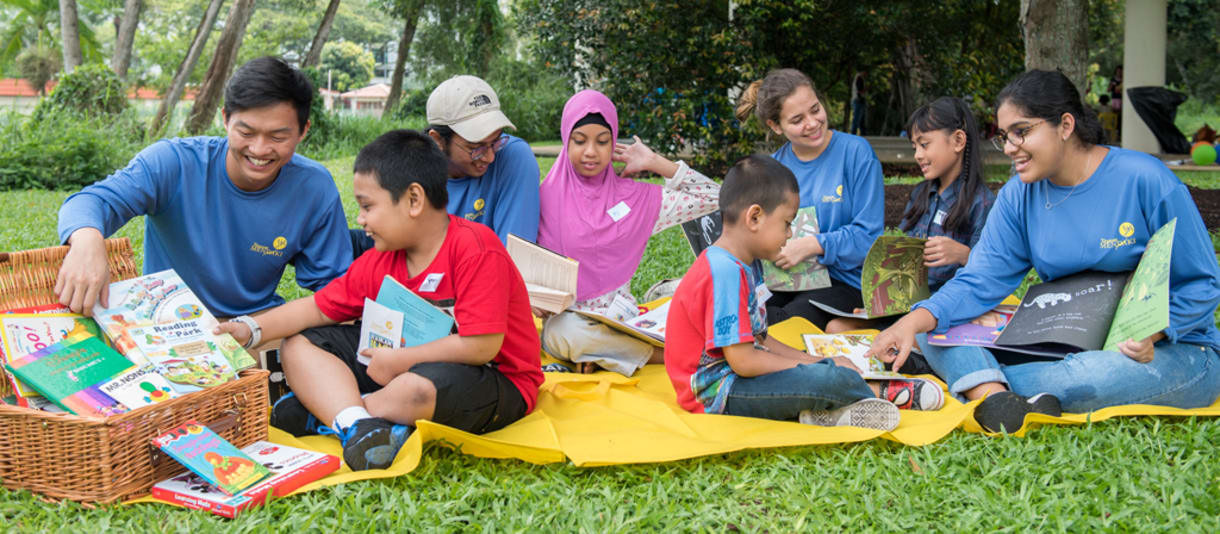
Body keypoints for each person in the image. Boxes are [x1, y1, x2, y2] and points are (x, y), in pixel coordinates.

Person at [867, 70, 1220, 433]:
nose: (1008, 147)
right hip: (1062, 341)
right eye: (1004, 136)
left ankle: (978, 383)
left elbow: (1202, 283)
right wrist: (909, 322)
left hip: (1166, 351)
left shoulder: (1146, 179)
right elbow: (979, 280)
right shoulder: (1019, 194)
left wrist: (1154, 333)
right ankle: (992, 394)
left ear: (1065, 125)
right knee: (932, 325)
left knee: (1083, 380)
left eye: (1022, 132)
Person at [218, 130, 543, 470]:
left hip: (494, 378)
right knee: (298, 345)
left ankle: (335, 412)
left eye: (368, 206)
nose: (360, 220)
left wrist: (401, 360)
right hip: (398, 361)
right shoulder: (381, 259)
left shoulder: (475, 248)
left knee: (413, 392)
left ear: (414, 200)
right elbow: (317, 307)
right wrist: (251, 328)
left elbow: (482, 347)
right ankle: (359, 425)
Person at [55, 56, 353, 318]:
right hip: (167, 323)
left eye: (277, 137)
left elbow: (333, 289)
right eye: (246, 132)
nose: (259, 149)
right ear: (225, 119)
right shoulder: (173, 163)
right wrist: (87, 242)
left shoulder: (314, 188)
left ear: (304, 131)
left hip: (257, 327)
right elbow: (91, 202)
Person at [665, 154, 943, 430]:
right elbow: (744, 361)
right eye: (787, 223)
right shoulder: (724, 271)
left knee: (822, 368)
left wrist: (820, 360)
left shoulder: (747, 264)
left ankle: (825, 412)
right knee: (831, 380)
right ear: (755, 217)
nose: (789, 235)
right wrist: (820, 370)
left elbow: (761, 340)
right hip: (717, 395)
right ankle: (877, 392)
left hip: (738, 376)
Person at [537, 90, 721, 376]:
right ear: (565, 139)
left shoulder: (635, 199)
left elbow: (715, 197)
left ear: (614, 143)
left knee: (702, 300)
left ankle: (601, 356)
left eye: (602, 142)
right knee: (563, 334)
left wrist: (655, 162)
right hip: (569, 320)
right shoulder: (542, 200)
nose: (590, 152)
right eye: (580, 141)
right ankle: (667, 354)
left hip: (625, 319)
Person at [826, 97, 995, 333]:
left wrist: (963, 254)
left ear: (958, 141)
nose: (917, 154)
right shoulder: (920, 195)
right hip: (906, 306)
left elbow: (991, 271)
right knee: (836, 328)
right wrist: (879, 305)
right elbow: (902, 266)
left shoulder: (982, 203)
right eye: (914, 147)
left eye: (924, 144)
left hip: (946, 311)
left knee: (908, 340)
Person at [734, 68, 884, 331]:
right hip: (785, 280)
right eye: (797, 119)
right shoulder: (774, 168)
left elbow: (868, 238)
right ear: (775, 126)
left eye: (815, 110)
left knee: (782, 323)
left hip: (846, 282)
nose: (812, 123)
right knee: (743, 313)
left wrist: (813, 245)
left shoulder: (856, 153)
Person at [850, 70, 867, 136]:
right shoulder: (859, 78)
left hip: (858, 100)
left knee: (861, 120)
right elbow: (860, 90)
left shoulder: (857, 78)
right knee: (857, 119)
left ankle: (863, 134)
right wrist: (865, 89)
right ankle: (853, 134)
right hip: (858, 100)